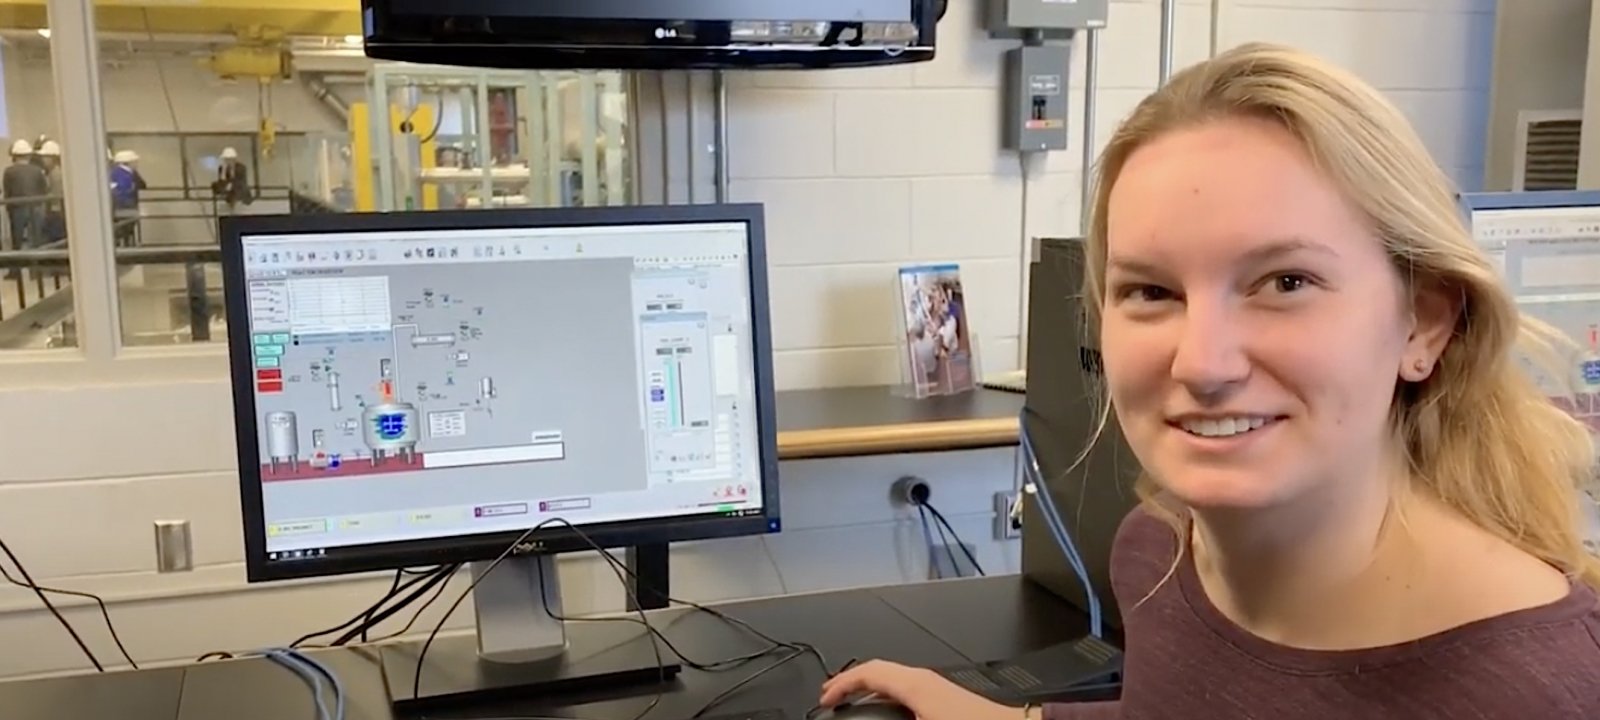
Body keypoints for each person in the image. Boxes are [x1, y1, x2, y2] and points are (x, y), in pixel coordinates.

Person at [819, 42, 1600, 719]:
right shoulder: (1162, 553)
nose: (1202, 363)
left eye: (1286, 282)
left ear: (1423, 324)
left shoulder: (1545, 687)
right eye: (1150, 292)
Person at [3, 139, 48, 250]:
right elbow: (44, 189)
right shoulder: (37, 171)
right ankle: (36, 266)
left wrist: (9, 210)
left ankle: (16, 266)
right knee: (36, 241)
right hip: (36, 208)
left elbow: (7, 192)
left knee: (17, 241)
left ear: (14, 156)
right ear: (29, 155)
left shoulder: (9, 172)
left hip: (17, 209)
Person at [109, 149, 146, 247]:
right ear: (129, 162)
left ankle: (124, 244)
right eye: (135, 161)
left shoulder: (118, 173)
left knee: (125, 229)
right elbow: (125, 189)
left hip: (122, 207)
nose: (136, 163)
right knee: (125, 228)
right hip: (125, 206)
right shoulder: (123, 174)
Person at [35, 140, 65, 244]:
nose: (43, 160)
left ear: (52, 158)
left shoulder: (56, 174)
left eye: (45, 157)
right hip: (54, 213)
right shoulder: (52, 172)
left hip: (55, 213)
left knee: (55, 241)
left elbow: (56, 195)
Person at [212, 146, 253, 215]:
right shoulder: (222, 168)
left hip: (239, 191)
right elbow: (221, 181)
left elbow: (241, 182)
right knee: (216, 186)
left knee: (236, 189)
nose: (228, 161)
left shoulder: (241, 168)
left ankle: (235, 201)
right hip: (229, 192)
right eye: (226, 159)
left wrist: (230, 183)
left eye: (229, 159)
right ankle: (228, 201)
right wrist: (224, 174)